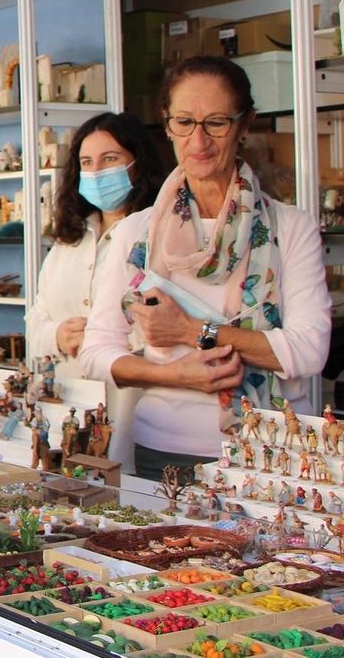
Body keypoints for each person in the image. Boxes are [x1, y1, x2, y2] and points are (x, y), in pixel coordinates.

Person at [80, 56, 330, 483]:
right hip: (164, 453)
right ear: (167, 124)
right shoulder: (136, 236)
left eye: (216, 123)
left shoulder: (290, 228)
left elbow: (308, 351)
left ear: (245, 123)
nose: (199, 141)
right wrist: (171, 374)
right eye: (183, 122)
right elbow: (96, 352)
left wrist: (187, 331)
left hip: (271, 452)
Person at [28, 112, 165, 470]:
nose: (97, 172)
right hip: (70, 400)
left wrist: (109, 336)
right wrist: (55, 334)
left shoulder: (158, 234)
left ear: (137, 164)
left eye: (110, 160)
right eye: (87, 163)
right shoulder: (69, 240)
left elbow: (171, 321)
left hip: (133, 403)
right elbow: (36, 317)